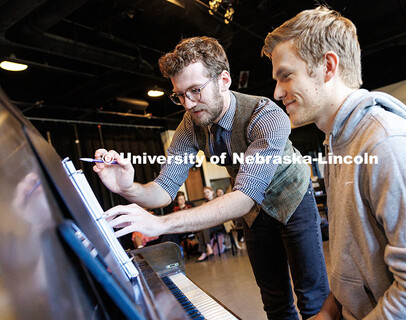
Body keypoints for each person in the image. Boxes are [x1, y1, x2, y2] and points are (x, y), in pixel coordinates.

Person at [262, 6, 406, 320]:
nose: (277, 91)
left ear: (327, 66)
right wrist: (330, 310)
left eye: (286, 76)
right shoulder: (339, 142)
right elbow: (354, 258)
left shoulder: (386, 143)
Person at [93, 36, 329, 319]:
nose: (188, 104)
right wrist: (128, 187)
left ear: (224, 80)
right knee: (275, 301)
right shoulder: (190, 125)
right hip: (254, 212)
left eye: (195, 90)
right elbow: (164, 189)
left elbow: (243, 199)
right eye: (179, 95)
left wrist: (160, 223)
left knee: (311, 297)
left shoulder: (265, 115)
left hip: (292, 198)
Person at [195, 186, 215, 262]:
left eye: (208, 192)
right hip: (209, 224)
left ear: (212, 192)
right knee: (201, 228)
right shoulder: (204, 203)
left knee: (205, 226)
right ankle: (205, 251)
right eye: (205, 193)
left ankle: (207, 249)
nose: (206, 194)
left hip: (219, 223)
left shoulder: (217, 200)